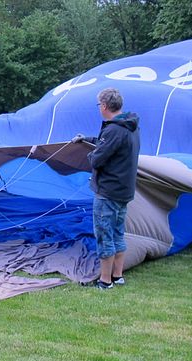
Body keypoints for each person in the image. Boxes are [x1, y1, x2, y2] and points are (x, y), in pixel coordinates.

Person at [74, 87, 140, 289]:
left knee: (105, 235)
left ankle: (104, 281)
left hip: (108, 192)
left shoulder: (113, 129)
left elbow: (97, 159)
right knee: (118, 233)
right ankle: (117, 276)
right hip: (124, 191)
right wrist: (88, 140)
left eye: (98, 105)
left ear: (104, 106)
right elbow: (109, 145)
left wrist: (88, 154)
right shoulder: (130, 126)